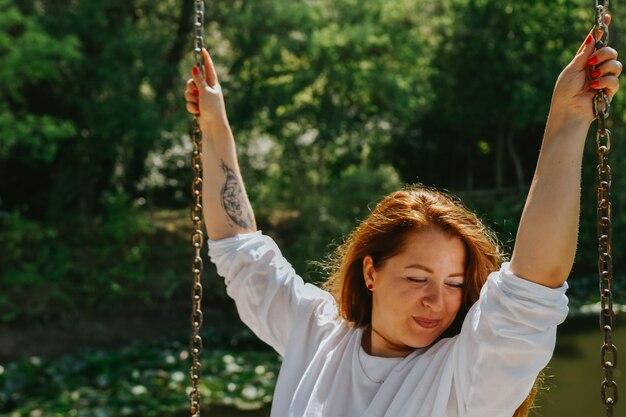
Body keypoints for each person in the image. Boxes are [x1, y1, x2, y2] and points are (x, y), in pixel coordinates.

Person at [183, 19, 621, 417]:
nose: (438, 300)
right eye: (417, 278)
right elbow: (241, 250)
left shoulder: (465, 378)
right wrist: (215, 125)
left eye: (454, 283)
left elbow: (532, 287)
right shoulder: (316, 334)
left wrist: (568, 119)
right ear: (370, 272)